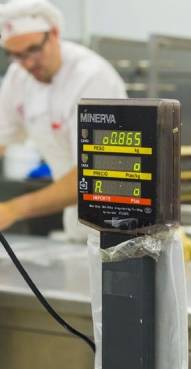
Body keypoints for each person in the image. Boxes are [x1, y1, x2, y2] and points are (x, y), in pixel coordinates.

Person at [0, 0, 127, 239]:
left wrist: (11, 209)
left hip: (115, 220)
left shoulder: (92, 77)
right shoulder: (18, 77)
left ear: (55, 34)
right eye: (16, 55)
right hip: (75, 222)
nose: (27, 63)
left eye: (33, 49)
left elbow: (96, 172)